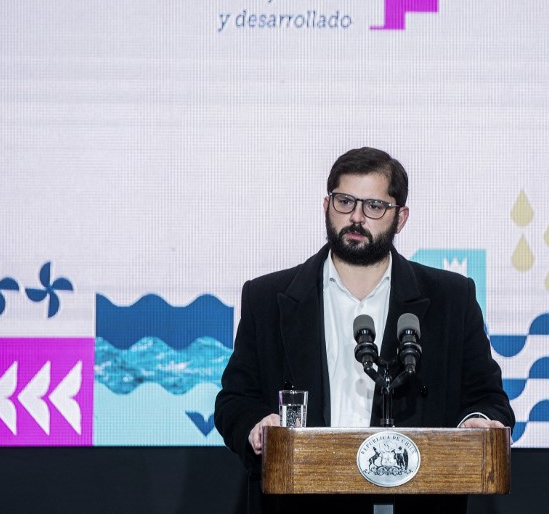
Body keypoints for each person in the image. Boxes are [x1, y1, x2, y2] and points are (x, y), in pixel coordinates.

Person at [214, 147, 514, 513]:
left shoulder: (451, 299)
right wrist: (256, 426)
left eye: (374, 206)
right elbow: (234, 400)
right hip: (300, 505)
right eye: (345, 202)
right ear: (326, 205)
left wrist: (478, 424)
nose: (356, 217)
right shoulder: (266, 298)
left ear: (400, 217)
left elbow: (488, 398)